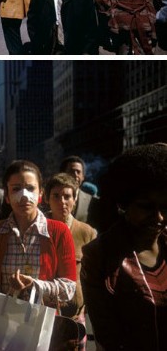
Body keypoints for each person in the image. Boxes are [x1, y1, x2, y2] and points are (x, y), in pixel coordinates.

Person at [81, 143, 167, 351]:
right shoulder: (99, 255)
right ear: (124, 204)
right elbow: (108, 336)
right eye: (146, 207)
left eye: (165, 206)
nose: (159, 217)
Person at [0, 160, 77, 311]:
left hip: (43, 326)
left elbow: (69, 286)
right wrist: (7, 304)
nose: (24, 196)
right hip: (2, 324)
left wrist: (36, 285)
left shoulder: (59, 231)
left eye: (30, 188)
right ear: (7, 196)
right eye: (16, 189)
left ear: (41, 194)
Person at [45, 173, 97, 347]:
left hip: (75, 317)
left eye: (67, 196)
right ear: (47, 199)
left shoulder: (87, 232)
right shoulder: (36, 229)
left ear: (75, 200)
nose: (62, 201)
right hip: (42, 315)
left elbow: (94, 275)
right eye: (56, 196)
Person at [59, 155, 100, 230]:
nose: (75, 175)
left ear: (83, 176)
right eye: (71, 171)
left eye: (78, 172)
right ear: (62, 174)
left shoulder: (92, 201)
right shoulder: (51, 198)